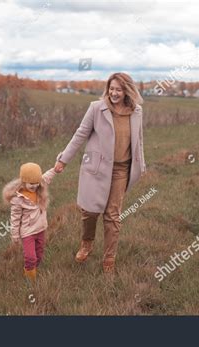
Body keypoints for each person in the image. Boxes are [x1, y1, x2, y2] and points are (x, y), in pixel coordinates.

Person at [54, 72, 146, 274]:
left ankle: (109, 260)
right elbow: (80, 134)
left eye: (118, 89)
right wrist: (63, 160)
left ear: (127, 91)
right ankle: (87, 242)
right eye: (111, 88)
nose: (114, 93)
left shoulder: (136, 111)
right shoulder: (97, 109)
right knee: (89, 211)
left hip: (121, 170)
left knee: (112, 215)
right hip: (97, 168)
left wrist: (142, 164)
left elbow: (138, 140)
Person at [2, 162, 57, 281]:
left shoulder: (39, 188)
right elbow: (15, 218)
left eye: (36, 182)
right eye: (31, 183)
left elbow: (46, 177)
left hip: (41, 229)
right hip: (28, 233)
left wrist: (56, 168)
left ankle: (34, 268)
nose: (34, 186)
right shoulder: (18, 199)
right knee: (31, 257)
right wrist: (15, 235)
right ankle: (30, 280)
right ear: (24, 181)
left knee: (39, 254)